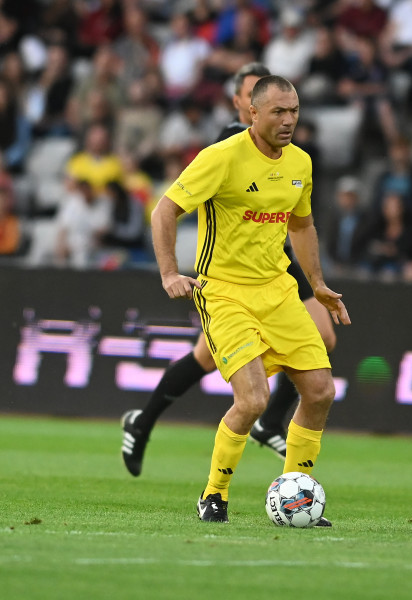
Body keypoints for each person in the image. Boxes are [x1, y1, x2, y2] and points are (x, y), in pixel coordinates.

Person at [148, 74, 350, 524]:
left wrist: (316, 284)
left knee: (320, 392)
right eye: (278, 111)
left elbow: (300, 225)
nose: (288, 120)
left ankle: (297, 495)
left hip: (278, 291)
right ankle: (213, 494)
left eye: (294, 111)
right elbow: (166, 210)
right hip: (223, 292)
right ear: (252, 113)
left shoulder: (300, 163)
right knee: (254, 400)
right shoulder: (220, 157)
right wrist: (168, 273)